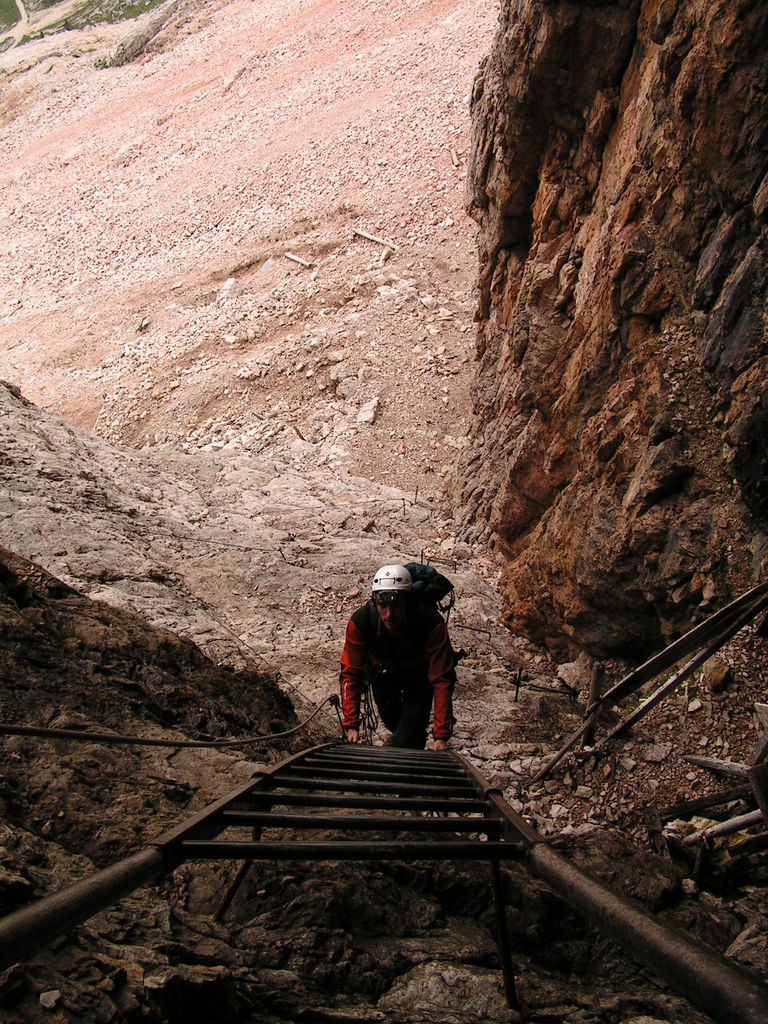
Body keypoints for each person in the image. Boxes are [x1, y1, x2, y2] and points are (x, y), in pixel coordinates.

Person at [339, 564, 457, 750]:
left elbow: (442, 678)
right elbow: (351, 673)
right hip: (383, 679)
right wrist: (351, 724)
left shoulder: (429, 622)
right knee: (398, 726)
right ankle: (412, 742)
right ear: (375, 602)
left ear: (408, 602)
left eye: (396, 606)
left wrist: (441, 734)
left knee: (407, 734)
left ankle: (403, 748)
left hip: (419, 681)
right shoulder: (361, 622)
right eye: (383, 606)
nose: (389, 614)